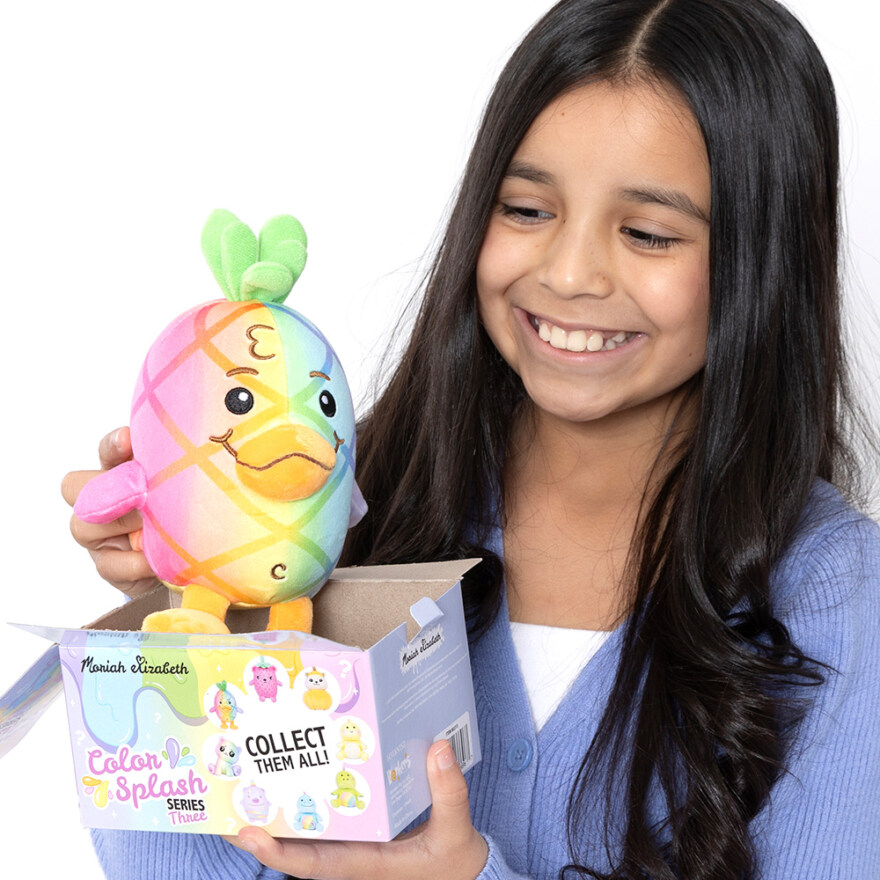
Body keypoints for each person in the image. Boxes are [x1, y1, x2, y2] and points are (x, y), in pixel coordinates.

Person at [62, 0, 880, 878]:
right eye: (525, 209)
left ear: (763, 259)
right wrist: (191, 608)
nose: (569, 273)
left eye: (647, 232)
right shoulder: (346, 507)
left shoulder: (839, 596)